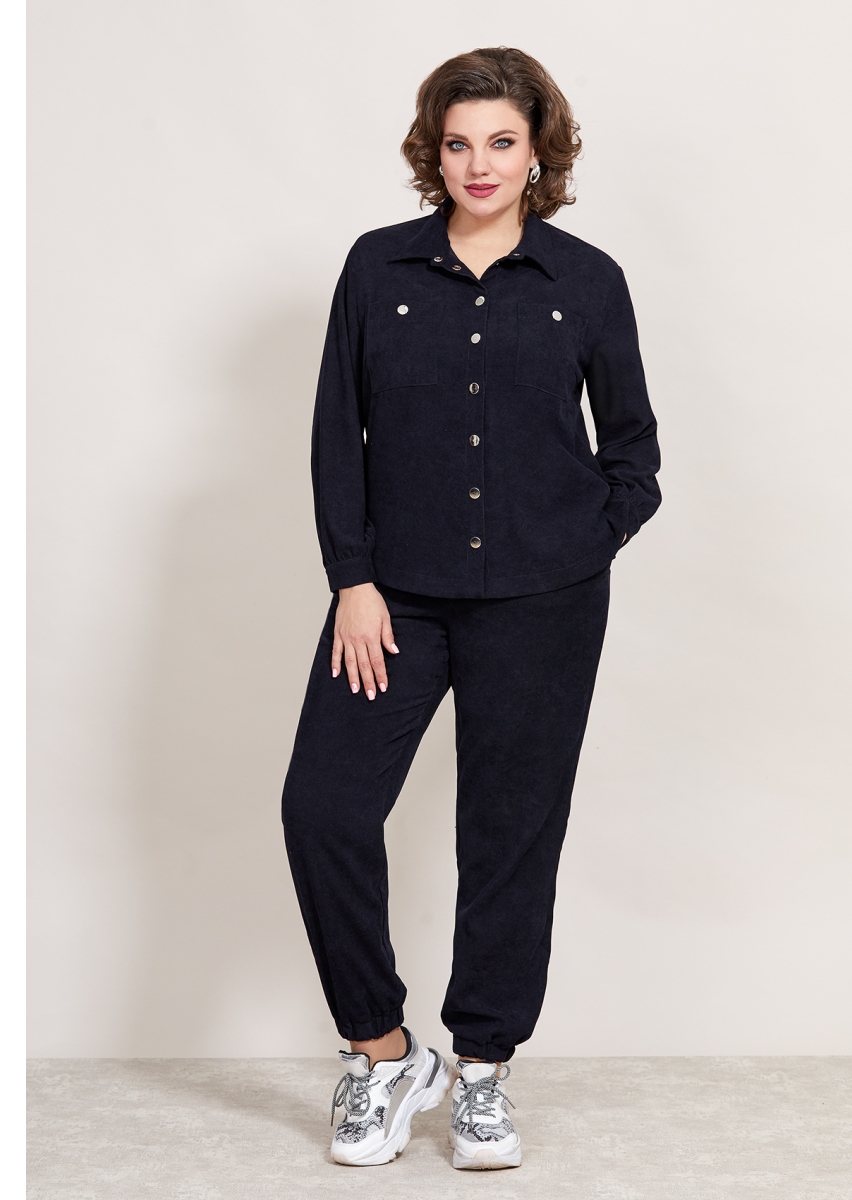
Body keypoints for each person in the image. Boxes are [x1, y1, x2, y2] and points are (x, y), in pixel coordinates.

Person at [281, 45, 661, 1170]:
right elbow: (336, 435)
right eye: (458, 143)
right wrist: (353, 579)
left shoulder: (588, 280)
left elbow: (633, 454)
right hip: (392, 601)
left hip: (544, 604)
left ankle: (484, 1073)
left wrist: (577, 548)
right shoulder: (377, 267)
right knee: (323, 809)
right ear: (432, 152)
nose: (478, 164)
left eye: (501, 141)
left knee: (510, 835)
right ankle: (387, 1054)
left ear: (539, 150)